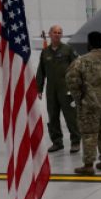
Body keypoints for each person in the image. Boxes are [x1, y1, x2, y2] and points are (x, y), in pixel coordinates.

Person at [65, 31, 101, 175]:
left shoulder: (81, 61)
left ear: (89, 43)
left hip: (89, 105)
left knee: (89, 134)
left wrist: (80, 99)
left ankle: (88, 165)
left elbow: (71, 81)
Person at [36, 25, 80, 153]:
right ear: (50, 34)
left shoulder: (68, 50)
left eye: (59, 32)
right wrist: (39, 88)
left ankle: (75, 142)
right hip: (51, 91)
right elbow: (41, 72)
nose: (57, 34)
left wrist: (77, 87)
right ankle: (57, 142)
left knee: (71, 117)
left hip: (67, 90)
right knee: (53, 117)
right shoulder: (45, 52)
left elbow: (77, 68)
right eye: (54, 32)